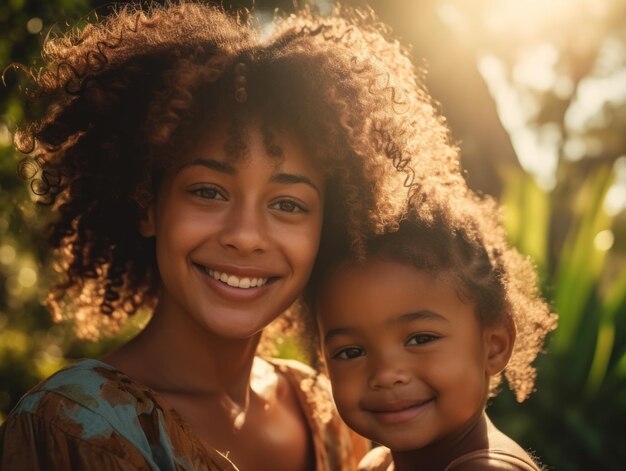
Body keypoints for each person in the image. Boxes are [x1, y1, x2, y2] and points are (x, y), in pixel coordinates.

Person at [0, 1, 468, 470]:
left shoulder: (332, 416)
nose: (246, 236)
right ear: (148, 205)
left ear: (328, 229)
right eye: (208, 191)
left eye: (288, 205)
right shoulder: (72, 428)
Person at [310, 193, 558, 471]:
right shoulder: (378, 465)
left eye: (420, 339)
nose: (386, 375)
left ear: (494, 345)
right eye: (351, 352)